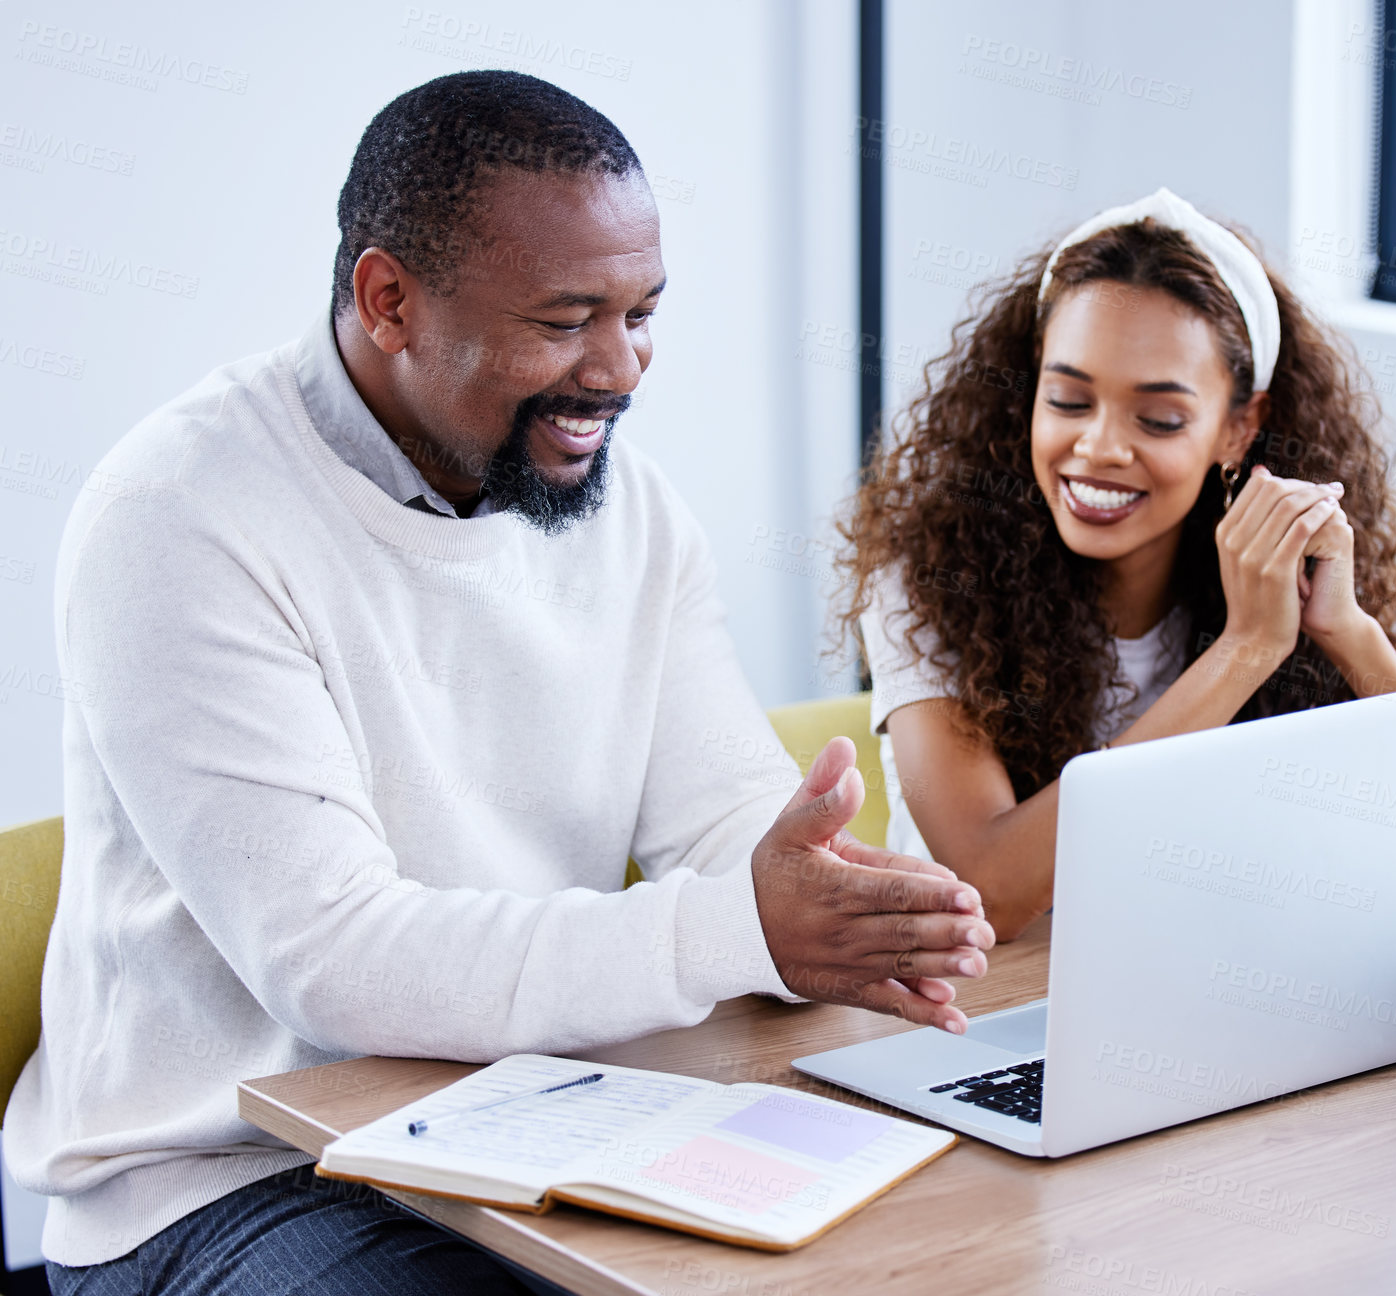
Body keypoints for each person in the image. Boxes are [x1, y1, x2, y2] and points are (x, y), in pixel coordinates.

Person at [4, 72, 996, 1293]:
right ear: (389, 301)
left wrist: (833, 902)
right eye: (566, 317)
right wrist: (743, 924)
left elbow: (722, 825)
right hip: (237, 1181)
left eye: (643, 312)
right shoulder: (180, 519)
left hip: (542, 1116)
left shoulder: (629, 510)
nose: (621, 367)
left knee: (945, 1241)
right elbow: (337, 963)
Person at [837, 187, 1396, 942]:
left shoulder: (1266, 574)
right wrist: (1246, 650)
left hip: (1183, 989)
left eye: (1158, 418)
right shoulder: (928, 578)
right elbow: (989, 888)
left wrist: (1349, 631)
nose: (1098, 447)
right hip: (966, 1011)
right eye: (1067, 400)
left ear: (1239, 428)